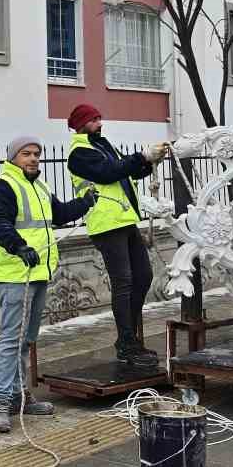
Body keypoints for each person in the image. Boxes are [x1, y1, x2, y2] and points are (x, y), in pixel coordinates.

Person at [0, 135, 96, 433]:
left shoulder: (40, 187)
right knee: (11, 340)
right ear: (13, 157)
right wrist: (18, 246)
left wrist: (84, 204)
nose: (33, 158)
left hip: (39, 272)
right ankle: (0, 401)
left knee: (26, 339)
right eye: (26, 154)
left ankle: (20, 396)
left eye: (36, 154)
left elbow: (58, 214)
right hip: (15, 274)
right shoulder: (3, 186)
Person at [65, 104, 171, 375]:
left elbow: (129, 171)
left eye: (100, 118)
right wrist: (140, 157)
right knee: (123, 281)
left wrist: (149, 161)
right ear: (81, 124)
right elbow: (109, 173)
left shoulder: (103, 146)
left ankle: (130, 338)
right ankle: (126, 343)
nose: (100, 123)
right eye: (94, 120)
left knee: (144, 276)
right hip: (106, 224)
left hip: (124, 220)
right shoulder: (79, 153)